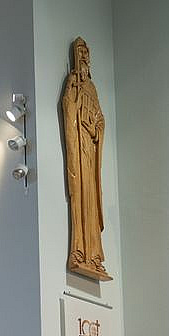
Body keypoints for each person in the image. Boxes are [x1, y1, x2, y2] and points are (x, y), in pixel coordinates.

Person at [61, 36, 107, 277]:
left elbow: (100, 120)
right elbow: (68, 108)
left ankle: (95, 256)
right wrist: (72, 95)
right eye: (81, 53)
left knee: (91, 200)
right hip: (78, 151)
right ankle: (79, 251)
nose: (85, 57)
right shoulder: (73, 85)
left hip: (90, 151)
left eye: (86, 53)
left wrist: (95, 131)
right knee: (79, 198)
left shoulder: (92, 89)